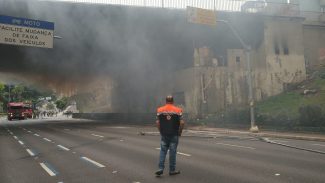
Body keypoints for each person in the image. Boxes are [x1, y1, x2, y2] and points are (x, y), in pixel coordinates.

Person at [155, 95, 185, 176]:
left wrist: (160, 131)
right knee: (172, 152)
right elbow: (182, 123)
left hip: (164, 134)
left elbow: (157, 122)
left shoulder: (159, 110)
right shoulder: (178, 110)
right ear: (173, 101)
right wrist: (180, 132)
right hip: (174, 134)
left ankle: (160, 168)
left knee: (163, 151)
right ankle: (172, 170)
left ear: (166, 101)